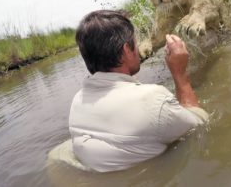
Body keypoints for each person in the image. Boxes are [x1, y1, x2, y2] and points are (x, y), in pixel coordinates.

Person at [62, 9, 208, 173]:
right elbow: (200, 123)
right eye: (135, 43)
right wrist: (179, 73)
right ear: (126, 50)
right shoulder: (153, 99)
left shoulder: (77, 101)